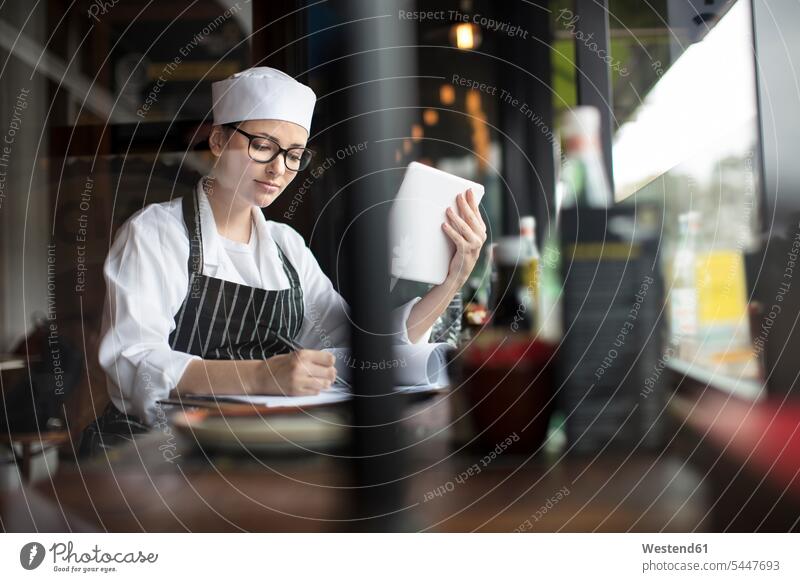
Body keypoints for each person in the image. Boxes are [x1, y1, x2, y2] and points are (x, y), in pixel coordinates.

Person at [81, 67, 486, 453]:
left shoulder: (285, 247)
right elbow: (131, 362)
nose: (279, 169)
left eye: (294, 154)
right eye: (262, 146)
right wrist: (259, 375)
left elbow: (357, 348)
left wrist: (452, 279)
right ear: (219, 141)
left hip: (250, 449)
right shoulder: (156, 233)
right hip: (152, 451)